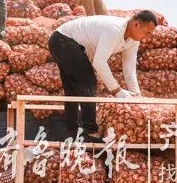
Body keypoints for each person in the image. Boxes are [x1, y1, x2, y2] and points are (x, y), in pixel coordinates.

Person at [48, 10, 157, 142]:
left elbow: (129, 68)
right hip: (63, 40)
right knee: (88, 82)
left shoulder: (134, 40)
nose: (147, 37)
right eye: (147, 32)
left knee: (73, 88)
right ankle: (89, 131)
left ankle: (72, 131)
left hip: (67, 43)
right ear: (136, 24)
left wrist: (136, 94)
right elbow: (99, 62)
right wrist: (117, 91)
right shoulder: (114, 30)